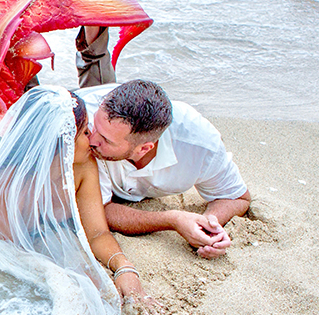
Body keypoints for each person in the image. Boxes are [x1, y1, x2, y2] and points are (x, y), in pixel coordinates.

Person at [0, 85, 157, 314]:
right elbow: (3, 249)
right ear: (62, 141)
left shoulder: (83, 168)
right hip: (4, 236)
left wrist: (124, 268)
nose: (92, 139)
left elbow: (97, 233)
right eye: (84, 132)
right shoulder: (10, 179)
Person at [78, 79, 251, 259]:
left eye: (106, 140)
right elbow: (96, 211)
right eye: (94, 127)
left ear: (144, 148)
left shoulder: (198, 144)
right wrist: (172, 220)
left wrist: (208, 225)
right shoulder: (81, 123)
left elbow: (237, 197)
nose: (91, 140)